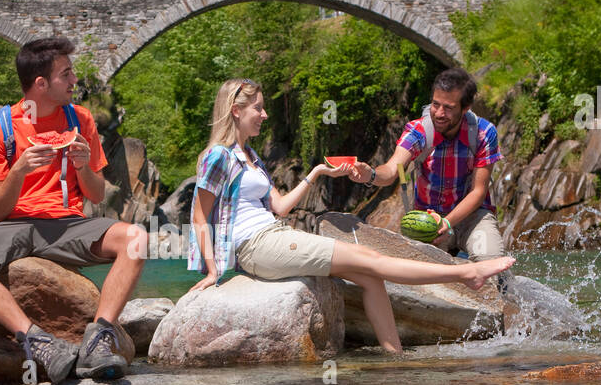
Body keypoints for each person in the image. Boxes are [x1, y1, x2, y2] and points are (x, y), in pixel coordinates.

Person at [188, 79, 514, 353]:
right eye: (258, 108)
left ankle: (395, 357)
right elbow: (200, 216)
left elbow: (281, 207)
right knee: (371, 258)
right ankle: (466, 275)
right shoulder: (218, 156)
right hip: (256, 245)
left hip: (274, 233)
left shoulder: (252, 156)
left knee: (370, 277)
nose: (264, 113)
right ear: (235, 110)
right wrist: (212, 271)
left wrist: (316, 172)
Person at [0, 37, 147, 384]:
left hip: (68, 225)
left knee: (135, 239)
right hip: (15, 225)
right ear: (41, 84)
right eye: (66, 74)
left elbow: (97, 194)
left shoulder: (80, 119)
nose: (74, 82)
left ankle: (99, 336)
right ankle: (38, 342)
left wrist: (84, 165)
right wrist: (19, 171)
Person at [349, 67, 507, 263]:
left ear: (465, 108)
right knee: (421, 273)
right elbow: (391, 171)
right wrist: (370, 174)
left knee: (492, 262)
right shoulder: (418, 131)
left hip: (472, 216)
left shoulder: (483, 133)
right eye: (435, 104)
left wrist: (448, 222)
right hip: (428, 219)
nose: (439, 113)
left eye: (448, 108)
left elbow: (478, 192)